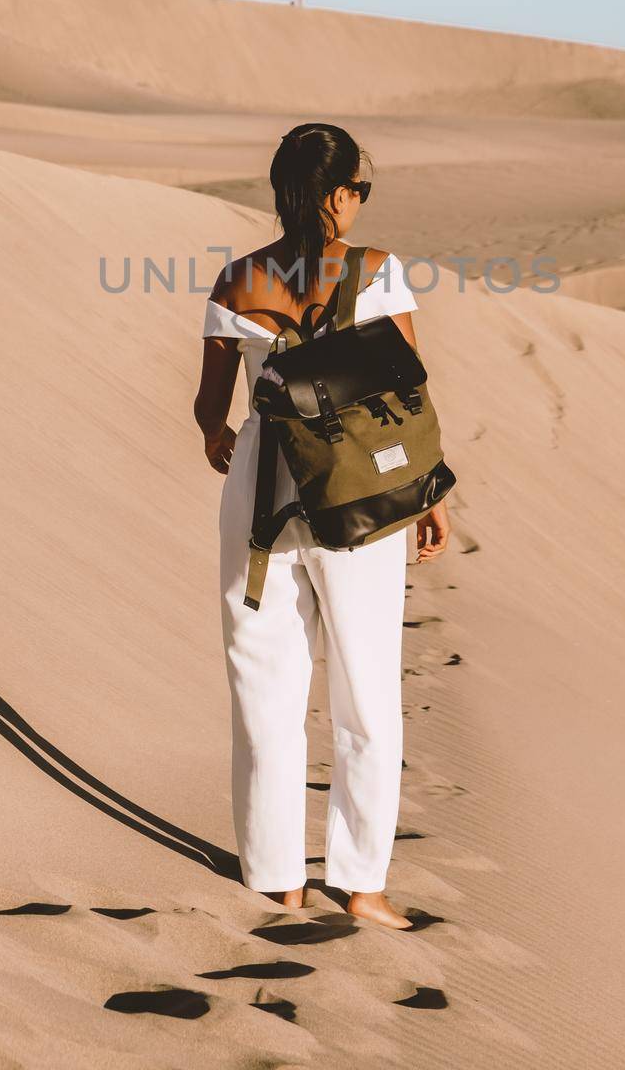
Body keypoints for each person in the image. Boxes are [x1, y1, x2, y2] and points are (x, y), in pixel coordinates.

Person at [194, 122, 451, 930]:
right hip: (358, 499)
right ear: (340, 195)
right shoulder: (376, 272)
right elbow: (408, 393)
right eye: (358, 191)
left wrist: (219, 438)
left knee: (263, 683)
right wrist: (432, 493)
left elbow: (209, 408)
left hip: (262, 496)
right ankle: (362, 883)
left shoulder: (238, 281)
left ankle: (277, 880)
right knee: (367, 687)